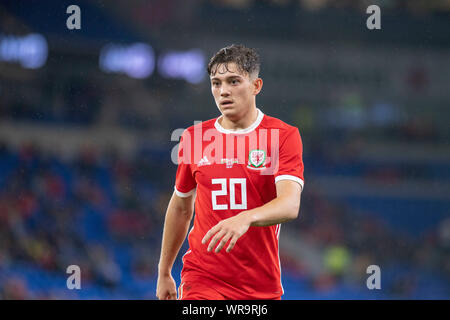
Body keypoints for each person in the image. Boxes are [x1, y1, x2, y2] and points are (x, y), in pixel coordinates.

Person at [156, 44, 305, 300]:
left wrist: (244, 218)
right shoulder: (195, 137)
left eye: (233, 81)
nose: (223, 91)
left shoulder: (280, 136)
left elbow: (289, 205)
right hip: (203, 278)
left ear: (256, 86)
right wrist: (164, 271)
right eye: (216, 83)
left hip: (260, 285)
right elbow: (181, 207)